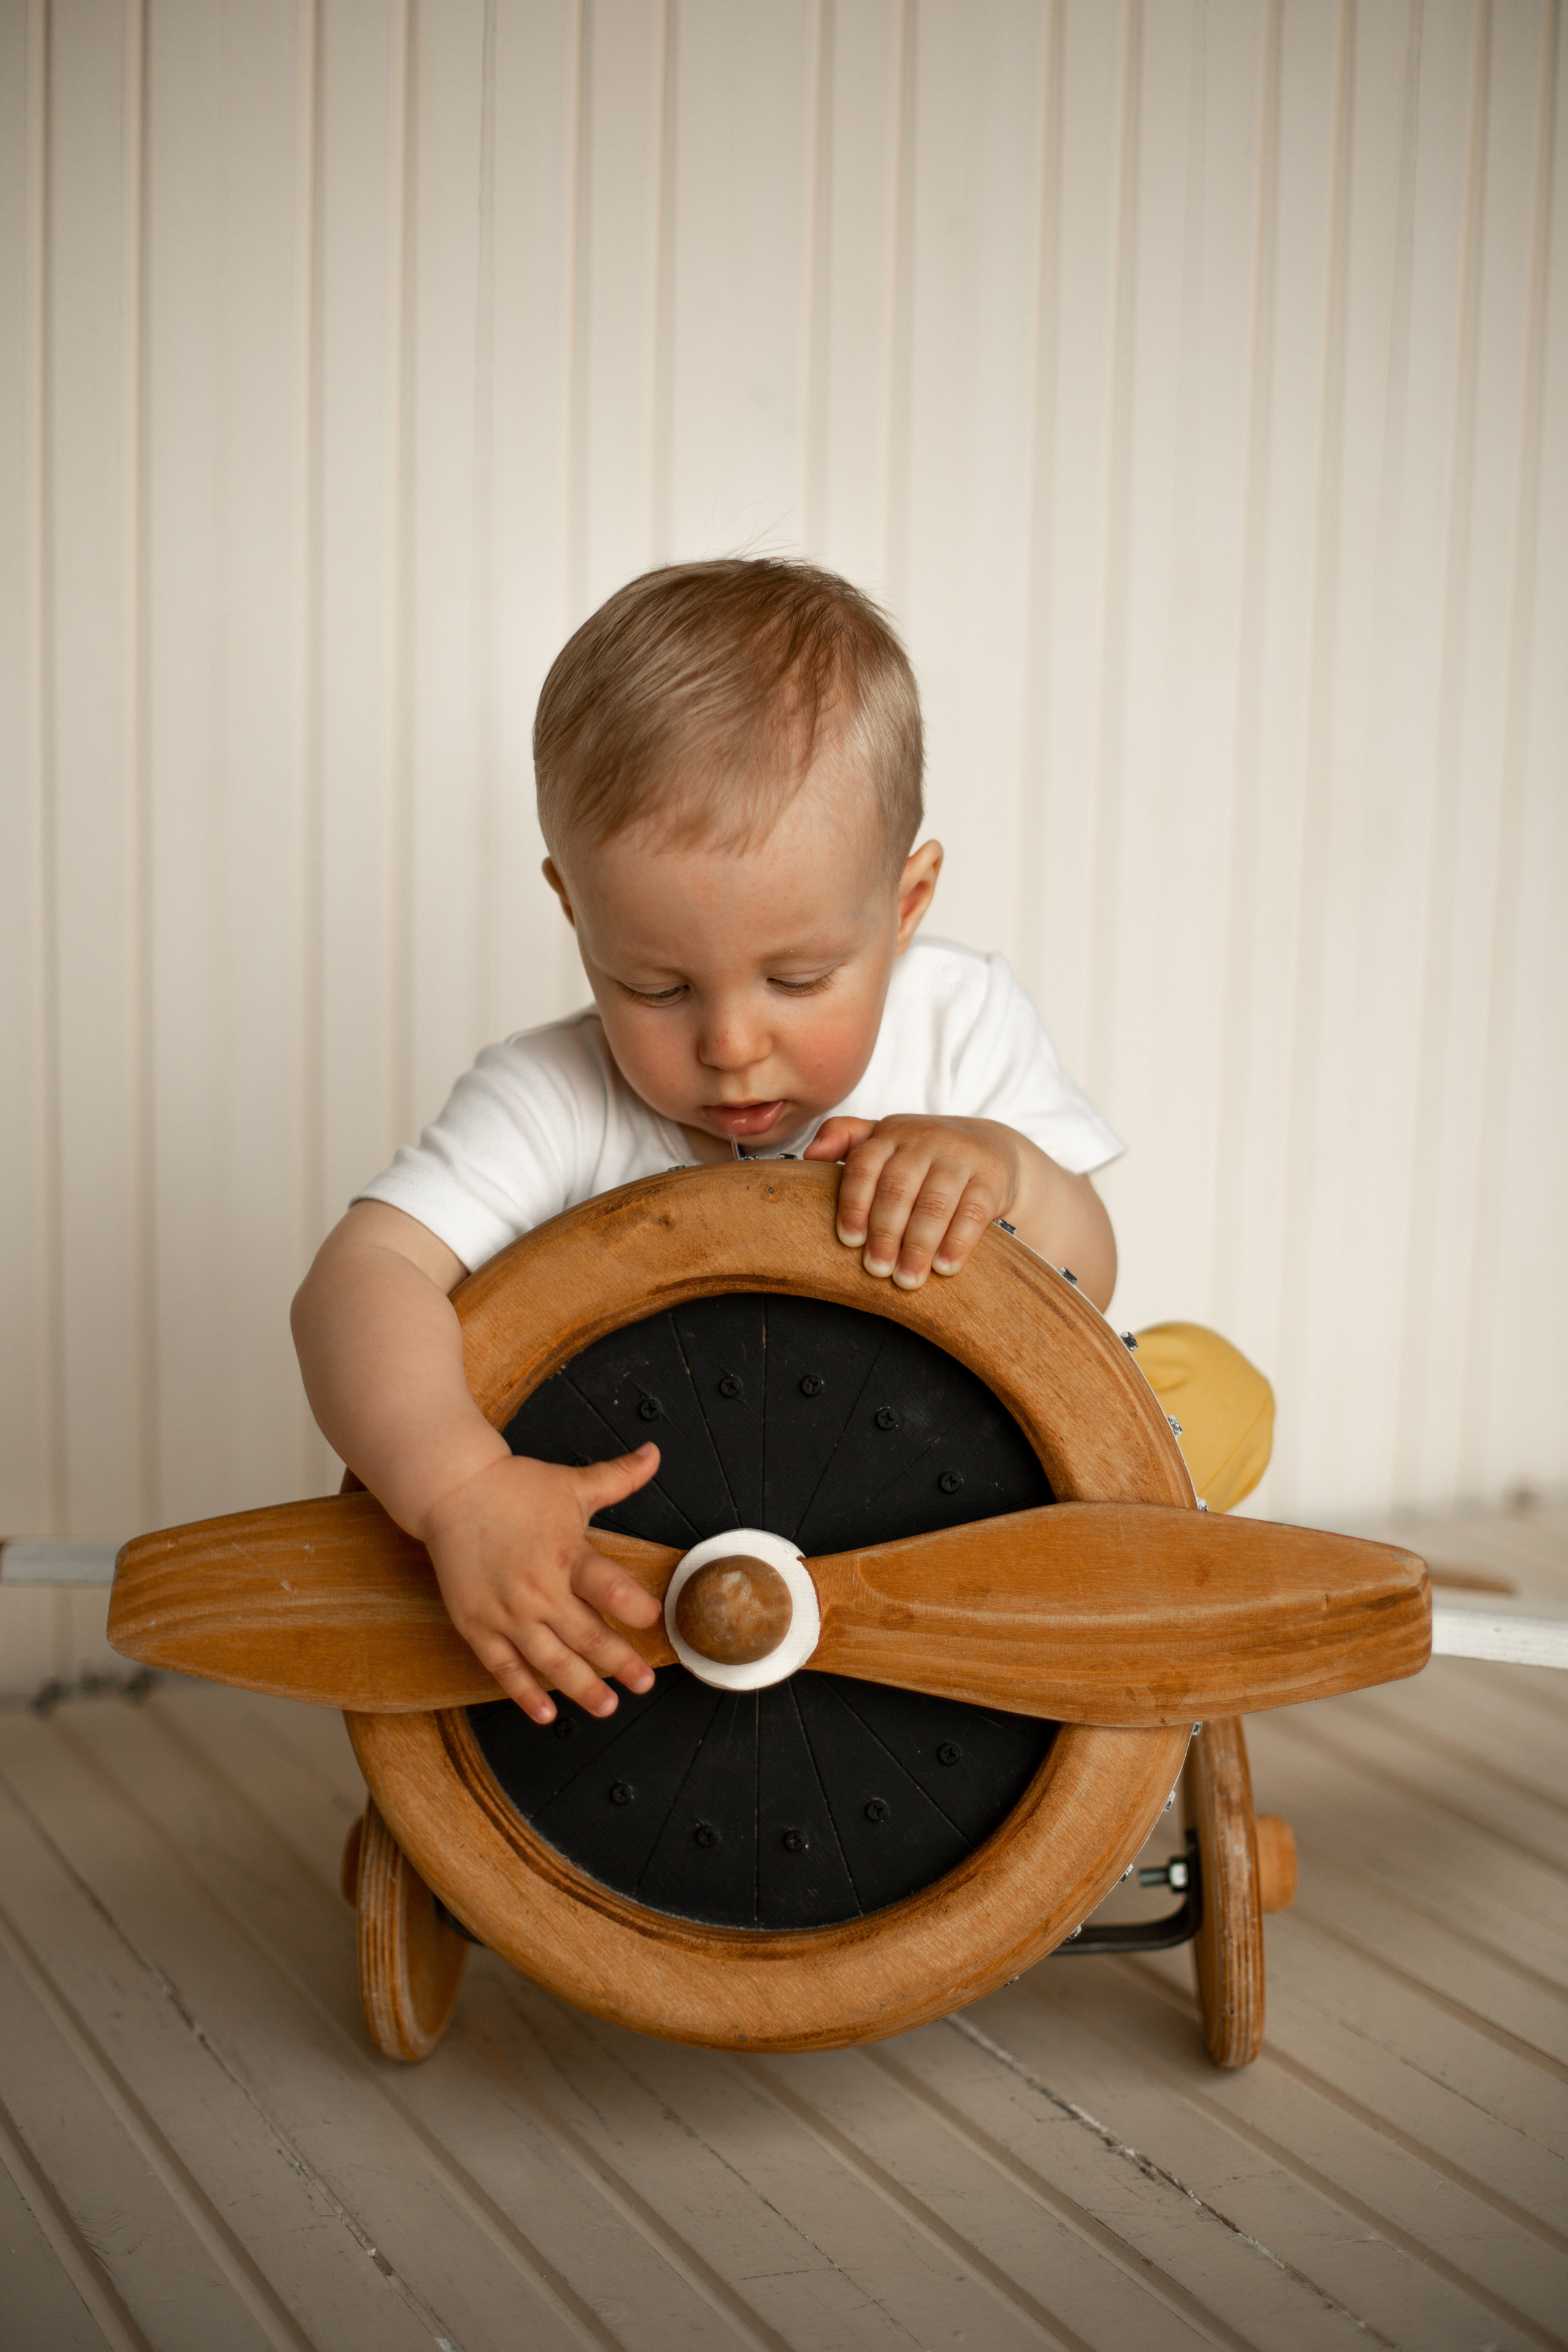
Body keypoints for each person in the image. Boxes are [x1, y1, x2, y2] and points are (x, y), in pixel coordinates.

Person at [292, 558, 1271, 1729]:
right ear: (573, 911)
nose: (732, 1045)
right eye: (652, 986)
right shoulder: (551, 1093)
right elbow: (356, 1284)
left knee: (1210, 1390)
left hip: (954, 1503)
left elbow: (1087, 1289)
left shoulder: (960, 1024)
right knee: (394, 1511)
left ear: (906, 909)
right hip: (666, 1536)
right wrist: (459, 1485)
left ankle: (1026, 1647)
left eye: (800, 978)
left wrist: (1001, 1175)